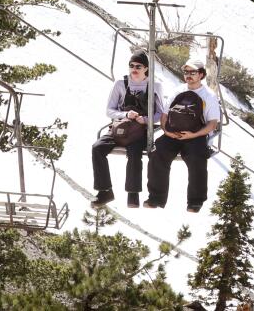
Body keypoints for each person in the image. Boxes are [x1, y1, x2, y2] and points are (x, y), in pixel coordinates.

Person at [145, 60, 222, 212]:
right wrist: (167, 131)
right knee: (158, 153)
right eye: (186, 72)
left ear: (201, 74)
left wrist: (194, 135)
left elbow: (212, 123)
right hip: (173, 132)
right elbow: (165, 115)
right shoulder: (178, 91)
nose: (188, 76)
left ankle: (195, 201)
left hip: (196, 134)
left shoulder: (208, 96)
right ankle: (156, 198)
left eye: (193, 73)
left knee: (197, 157)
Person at [92, 52, 164, 207]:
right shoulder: (120, 84)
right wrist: (125, 114)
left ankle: (133, 194)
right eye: (131, 66)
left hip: (140, 130)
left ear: (146, 68)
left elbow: (160, 113)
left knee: (134, 152)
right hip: (121, 127)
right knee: (97, 148)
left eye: (138, 66)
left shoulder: (154, 85)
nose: (134, 69)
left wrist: (144, 119)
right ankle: (104, 191)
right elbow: (109, 111)